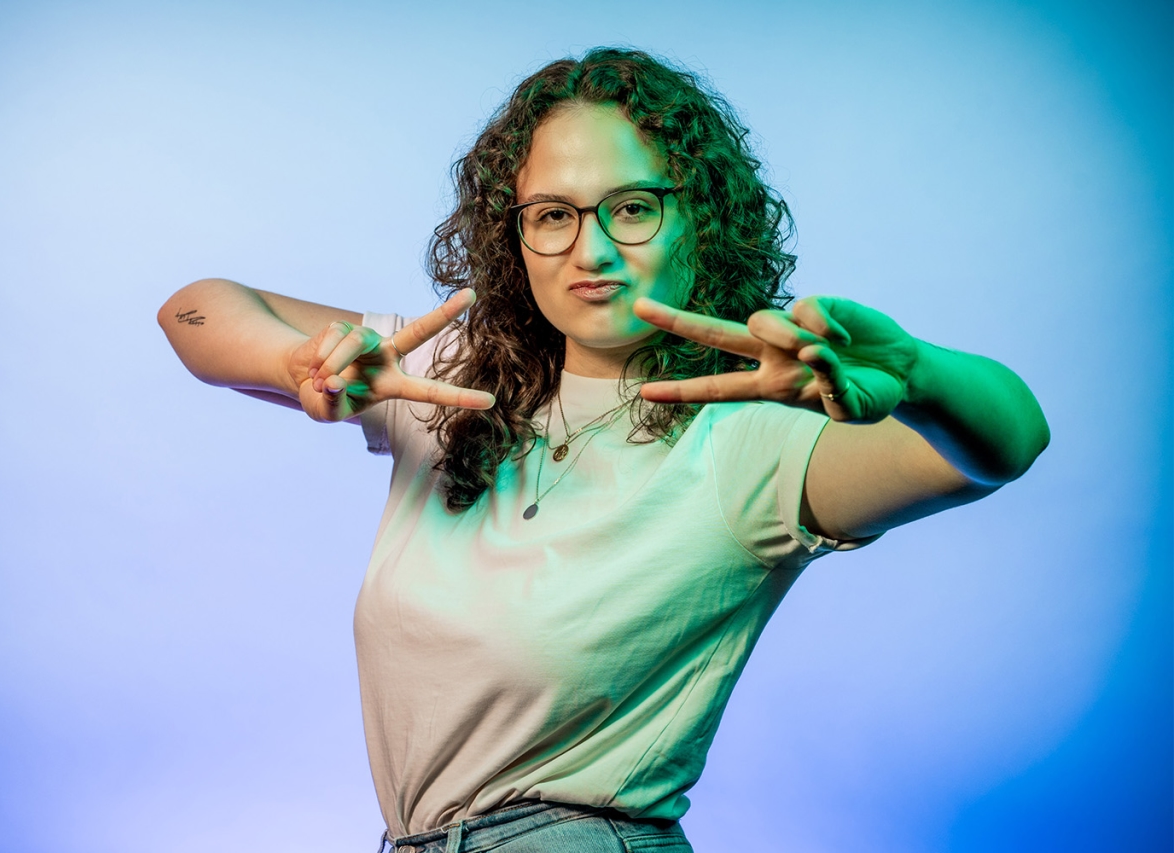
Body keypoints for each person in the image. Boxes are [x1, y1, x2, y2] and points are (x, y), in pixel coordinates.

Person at [158, 48, 1048, 853]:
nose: (592, 250)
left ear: (701, 216)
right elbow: (193, 310)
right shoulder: (444, 378)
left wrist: (919, 373)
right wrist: (295, 363)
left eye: (631, 208)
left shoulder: (754, 439)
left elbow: (1004, 443)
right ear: (515, 236)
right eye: (552, 214)